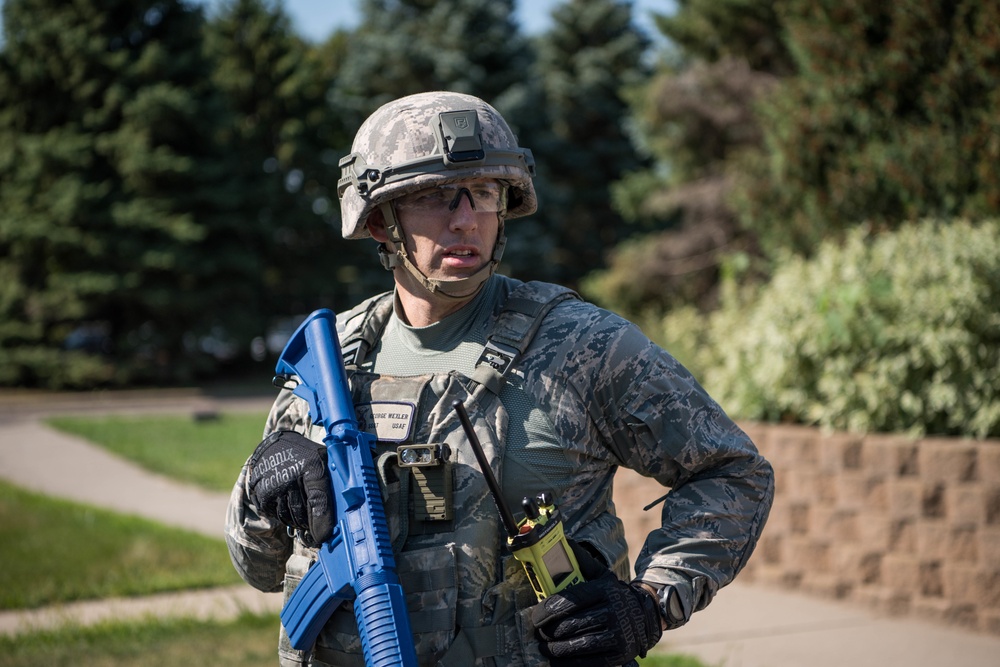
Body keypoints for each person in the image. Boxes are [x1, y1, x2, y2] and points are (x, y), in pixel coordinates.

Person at [225, 91, 774, 667]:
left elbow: (734, 472)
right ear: (381, 219)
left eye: (484, 193)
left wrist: (650, 602)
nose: (466, 218)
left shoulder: (584, 347)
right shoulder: (328, 361)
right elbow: (259, 568)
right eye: (435, 195)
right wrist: (261, 487)